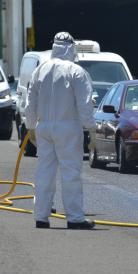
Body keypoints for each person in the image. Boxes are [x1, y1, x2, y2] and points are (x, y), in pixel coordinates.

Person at [25, 32, 96, 230]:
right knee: (70, 171)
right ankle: (74, 218)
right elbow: (85, 104)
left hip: (44, 127)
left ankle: (41, 216)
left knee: (44, 172)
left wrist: (30, 126)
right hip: (68, 127)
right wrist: (91, 129)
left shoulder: (40, 70)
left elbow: (30, 102)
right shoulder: (77, 71)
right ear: (71, 48)